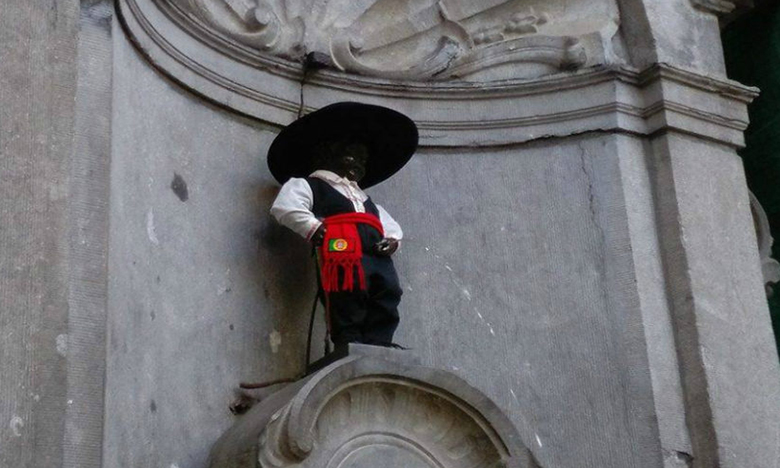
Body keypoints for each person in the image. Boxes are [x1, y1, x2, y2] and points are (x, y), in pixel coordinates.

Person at [267, 102, 418, 348]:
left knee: (388, 291)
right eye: (352, 155)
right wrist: (314, 228)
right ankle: (349, 339)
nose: (358, 163)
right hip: (341, 247)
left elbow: (387, 222)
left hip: (375, 253)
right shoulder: (311, 185)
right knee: (346, 291)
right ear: (328, 155)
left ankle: (379, 341)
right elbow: (286, 206)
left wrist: (392, 240)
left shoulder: (363, 198)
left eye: (362, 159)